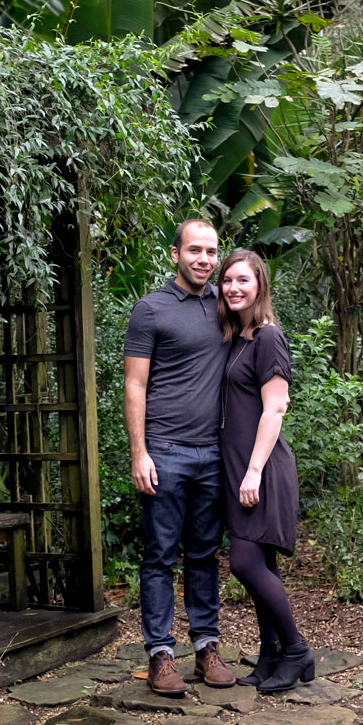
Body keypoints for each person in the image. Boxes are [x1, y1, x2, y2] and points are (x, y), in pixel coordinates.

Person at [123, 219, 238, 697]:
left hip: (213, 453)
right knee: (159, 556)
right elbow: (134, 385)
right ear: (175, 254)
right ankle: (160, 656)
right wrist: (139, 453)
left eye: (212, 252)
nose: (205, 260)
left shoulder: (228, 307)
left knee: (206, 555)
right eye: (195, 250)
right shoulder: (151, 310)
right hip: (165, 452)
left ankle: (207, 648)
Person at [216, 249, 311, 693]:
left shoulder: (268, 337)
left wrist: (252, 472)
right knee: (263, 564)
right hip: (240, 467)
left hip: (262, 467)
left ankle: (296, 650)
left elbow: (275, 409)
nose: (233, 287)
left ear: (260, 286)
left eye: (243, 280)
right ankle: (271, 655)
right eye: (227, 280)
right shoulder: (239, 337)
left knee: (245, 562)